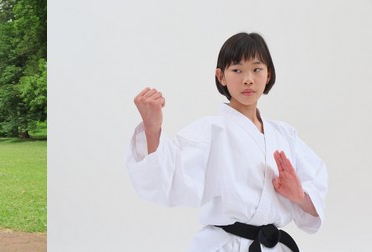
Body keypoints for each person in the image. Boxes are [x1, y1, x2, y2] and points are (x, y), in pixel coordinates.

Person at [127, 32, 327, 251]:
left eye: (257, 69)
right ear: (221, 76)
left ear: (268, 74)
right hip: (226, 245)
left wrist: (298, 195)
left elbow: (314, 193)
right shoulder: (211, 130)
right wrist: (152, 127)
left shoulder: (285, 134)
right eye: (237, 70)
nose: (248, 78)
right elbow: (168, 176)